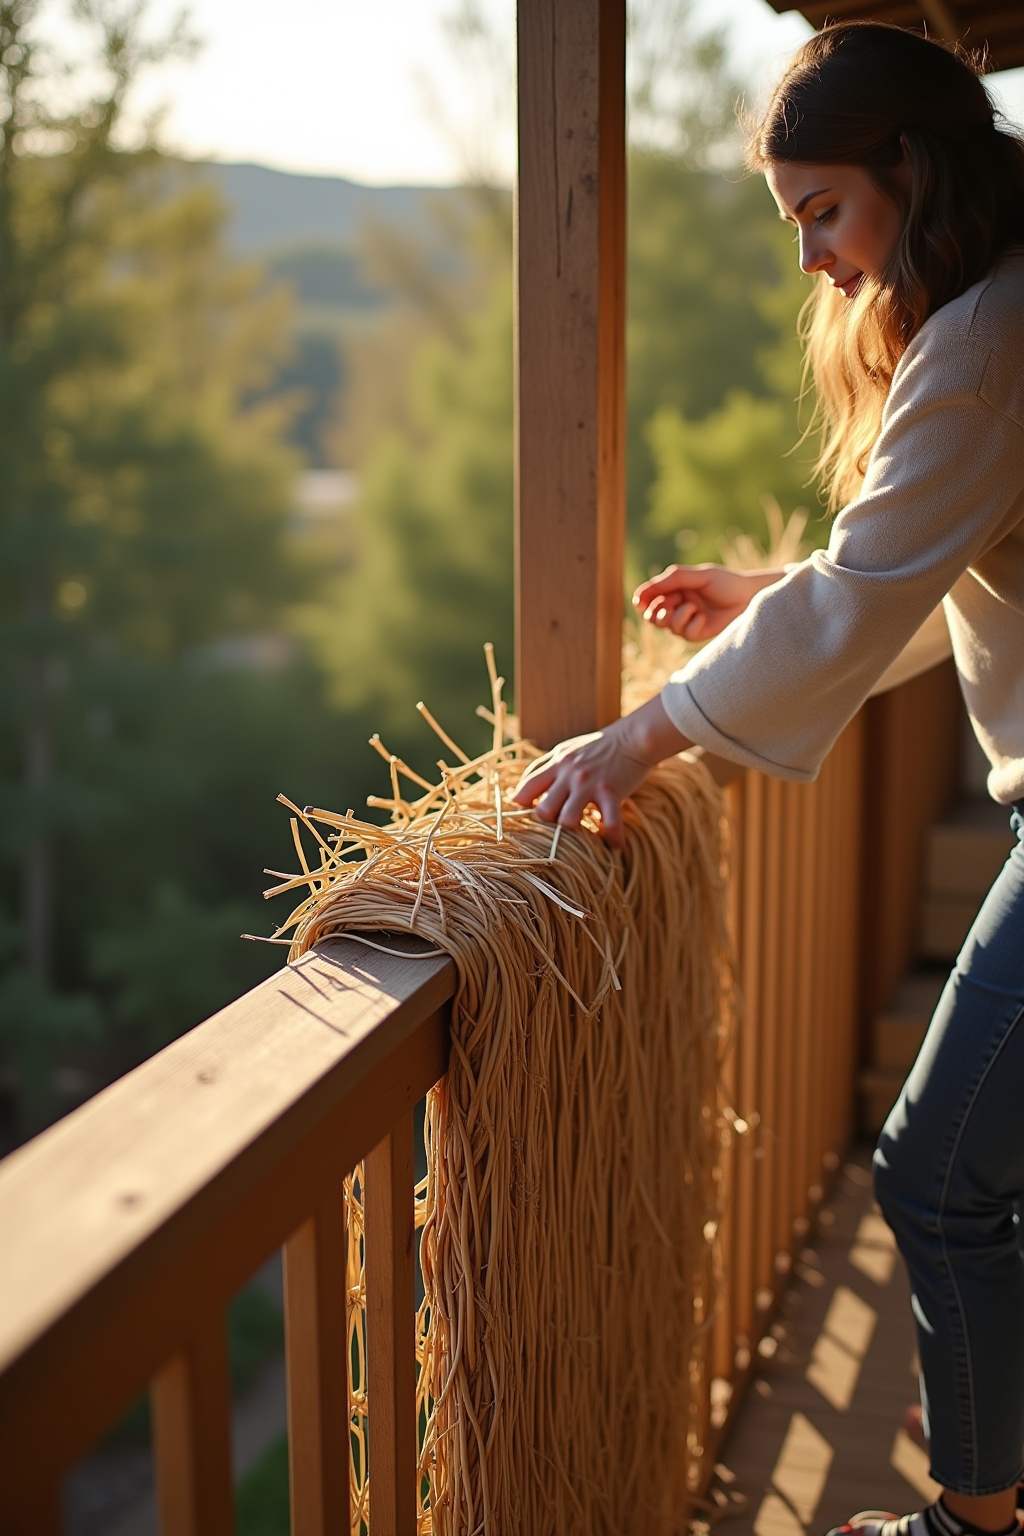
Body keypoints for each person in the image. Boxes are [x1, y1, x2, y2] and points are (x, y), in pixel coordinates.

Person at [513, 22, 1024, 1536]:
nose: (811, 257)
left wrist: (634, 737)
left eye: (823, 211)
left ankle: (974, 1521)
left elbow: (872, 593)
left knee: (936, 1176)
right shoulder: (1003, 309)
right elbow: (917, 574)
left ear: (910, 170)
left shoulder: (985, 341)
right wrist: (776, 592)